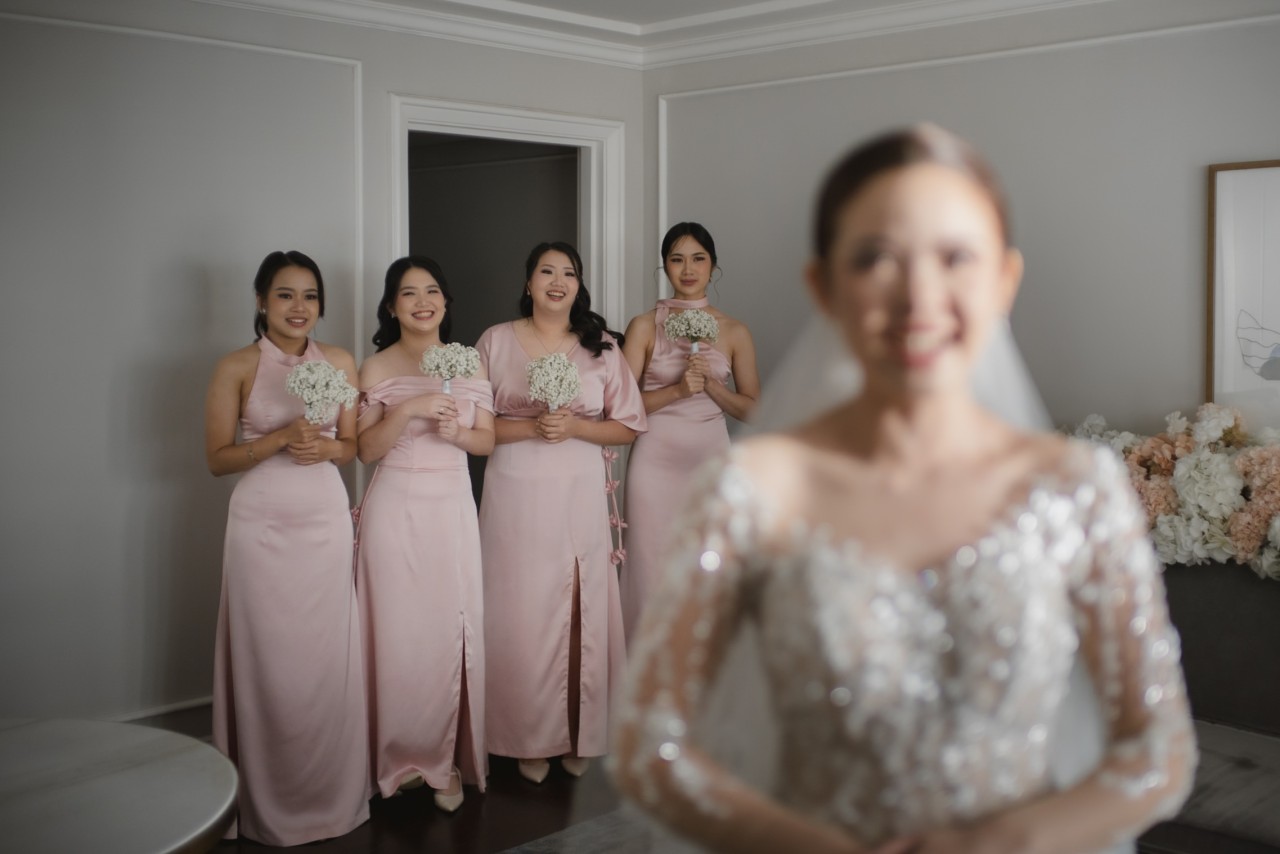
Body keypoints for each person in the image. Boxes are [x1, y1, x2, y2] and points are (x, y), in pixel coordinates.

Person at [612, 126, 1196, 853]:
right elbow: (649, 744)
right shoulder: (749, 491)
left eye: (956, 257)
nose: (919, 294)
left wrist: (998, 843)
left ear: (1004, 279)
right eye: (875, 258)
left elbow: (1158, 750)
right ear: (824, 286)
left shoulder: (1075, 490)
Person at [204, 250, 369, 845]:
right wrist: (277, 438)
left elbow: (350, 446)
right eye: (285, 294)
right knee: (267, 658)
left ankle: (329, 795)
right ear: (261, 301)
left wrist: (325, 448)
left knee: (324, 657)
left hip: (324, 519)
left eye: (310, 296)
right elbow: (217, 459)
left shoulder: (341, 361)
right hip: (261, 525)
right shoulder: (236, 366)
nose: (299, 308)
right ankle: (263, 800)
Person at [477, 241, 647, 784]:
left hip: (578, 491)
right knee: (521, 611)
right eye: (546, 272)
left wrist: (574, 426)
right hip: (515, 493)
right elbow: (474, 427)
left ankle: (580, 731)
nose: (557, 281)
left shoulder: (602, 347)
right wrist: (531, 425)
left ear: (579, 285)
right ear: (528, 282)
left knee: (580, 603)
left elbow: (628, 425)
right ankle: (528, 737)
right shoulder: (495, 341)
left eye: (568, 273)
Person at [354, 256, 495, 813]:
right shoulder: (375, 366)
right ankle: (392, 755)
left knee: (446, 633)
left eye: (432, 290)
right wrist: (409, 408)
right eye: (409, 293)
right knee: (395, 636)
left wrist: (457, 432)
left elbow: (488, 441)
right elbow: (365, 450)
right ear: (392, 306)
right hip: (395, 508)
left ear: (445, 302)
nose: (422, 302)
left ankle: (441, 758)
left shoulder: (470, 362)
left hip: (452, 507)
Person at [620, 223, 760, 643]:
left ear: (713, 266)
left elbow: (754, 409)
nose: (688, 269)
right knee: (650, 568)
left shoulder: (734, 331)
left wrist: (712, 387)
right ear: (664, 267)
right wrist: (678, 390)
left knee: (709, 565)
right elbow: (621, 408)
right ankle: (645, 668)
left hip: (709, 460)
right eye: (677, 259)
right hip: (654, 463)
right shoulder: (644, 326)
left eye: (698, 259)